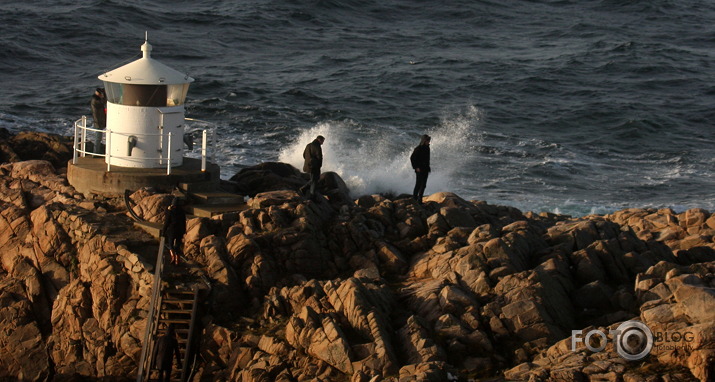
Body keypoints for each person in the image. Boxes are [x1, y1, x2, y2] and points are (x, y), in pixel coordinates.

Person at [299, 135, 325, 201]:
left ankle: (304, 189)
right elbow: (319, 157)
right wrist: (319, 165)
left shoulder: (308, 145)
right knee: (314, 181)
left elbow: (304, 155)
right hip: (314, 166)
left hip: (308, 165)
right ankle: (312, 196)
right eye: (322, 141)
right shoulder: (317, 146)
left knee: (313, 179)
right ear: (319, 140)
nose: (323, 143)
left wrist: (308, 161)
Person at [162, 197, 186, 265]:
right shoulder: (182, 212)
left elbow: (166, 222)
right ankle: (177, 260)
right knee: (178, 245)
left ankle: (173, 257)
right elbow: (184, 222)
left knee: (170, 244)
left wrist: (163, 231)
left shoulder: (170, 212)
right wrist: (184, 230)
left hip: (171, 230)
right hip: (180, 231)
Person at [410, 134, 431, 204]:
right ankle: (414, 199)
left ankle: (420, 200)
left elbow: (427, 159)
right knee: (418, 185)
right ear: (424, 141)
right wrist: (416, 167)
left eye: (429, 140)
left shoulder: (427, 148)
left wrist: (428, 167)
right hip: (419, 170)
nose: (429, 142)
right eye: (427, 140)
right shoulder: (418, 149)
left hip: (425, 169)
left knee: (424, 185)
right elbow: (412, 158)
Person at [90, 88, 107, 154]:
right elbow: (104, 102)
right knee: (98, 138)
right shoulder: (95, 100)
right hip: (98, 122)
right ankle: (95, 153)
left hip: (99, 121)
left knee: (99, 138)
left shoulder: (95, 99)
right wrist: (104, 94)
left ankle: (97, 151)